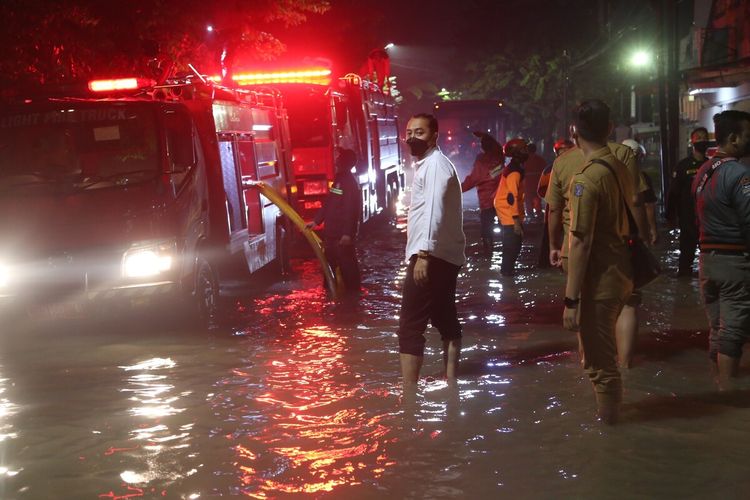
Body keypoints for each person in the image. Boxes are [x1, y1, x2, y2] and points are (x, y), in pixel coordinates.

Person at [546, 122, 648, 370]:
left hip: (574, 245)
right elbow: (635, 200)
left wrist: (553, 244)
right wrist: (643, 236)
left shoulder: (562, 162)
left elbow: (554, 210)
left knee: (582, 304)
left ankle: (588, 364)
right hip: (618, 244)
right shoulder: (623, 154)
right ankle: (624, 366)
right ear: (610, 127)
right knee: (627, 303)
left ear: (574, 133)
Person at [562, 99, 634, 425]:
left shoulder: (585, 179)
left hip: (600, 282)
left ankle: (611, 434)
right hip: (622, 272)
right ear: (609, 128)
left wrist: (571, 300)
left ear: (574, 132)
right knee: (606, 360)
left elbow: (580, 241)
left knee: (600, 365)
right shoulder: (620, 164)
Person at [398, 113, 466, 390]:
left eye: (420, 132)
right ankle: (451, 381)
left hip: (431, 255)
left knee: (410, 324)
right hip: (442, 255)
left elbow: (434, 212)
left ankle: (409, 395)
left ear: (434, 136)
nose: (413, 137)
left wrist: (423, 256)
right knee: (444, 317)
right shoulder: (429, 164)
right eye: (410, 132)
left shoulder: (436, 165)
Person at [691, 110, 750, 391]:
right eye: (748, 136)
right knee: (733, 329)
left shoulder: (703, 171)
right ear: (735, 138)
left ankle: (714, 386)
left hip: (707, 261)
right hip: (733, 261)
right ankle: (728, 392)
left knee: (716, 327)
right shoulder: (739, 173)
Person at [307, 148, 361, 294]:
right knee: (328, 267)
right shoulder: (339, 181)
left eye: (339, 157)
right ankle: (331, 294)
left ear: (344, 162)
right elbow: (329, 203)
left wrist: (347, 234)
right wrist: (316, 222)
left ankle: (352, 299)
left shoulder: (349, 183)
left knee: (347, 268)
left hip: (340, 236)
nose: (336, 160)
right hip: (332, 234)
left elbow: (351, 210)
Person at [668, 127, 710, 277]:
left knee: (708, 255)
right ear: (692, 141)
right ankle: (684, 280)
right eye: (698, 137)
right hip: (688, 217)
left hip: (707, 218)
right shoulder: (683, 166)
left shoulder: (711, 166)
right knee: (686, 253)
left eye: (704, 137)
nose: (701, 140)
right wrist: (671, 215)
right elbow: (674, 192)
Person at [461, 132, 504, 257]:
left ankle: (488, 254)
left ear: (482, 147)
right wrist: (486, 135)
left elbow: (472, 179)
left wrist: (455, 189)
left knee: (486, 230)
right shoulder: (500, 158)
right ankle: (506, 251)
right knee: (506, 228)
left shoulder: (481, 162)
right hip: (502, 200)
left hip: (487, 202)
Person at [537, 139, 574, 268]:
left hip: (558, 212)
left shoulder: (552, 168)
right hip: (567, 212)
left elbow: (541, 191)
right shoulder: (582, 164)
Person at [494, 138, 527, 277]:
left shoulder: (515, 168)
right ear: (517, 153)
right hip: (509, 213)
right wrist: (516, 220)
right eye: (523, 150)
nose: (526, 152)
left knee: (513, 245)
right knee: (512, 246)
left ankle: (507, 272)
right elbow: (511, 197)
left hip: (508, 211)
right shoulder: (514, 171)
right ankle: (507, 274)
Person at [524, 142, 546, 217]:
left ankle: (530, 215)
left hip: (528, 184)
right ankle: (539, 214)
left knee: (528, 200)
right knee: (537, 199)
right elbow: (545, 171)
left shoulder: (524, 160)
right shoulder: (540, 160)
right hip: (538, 183)